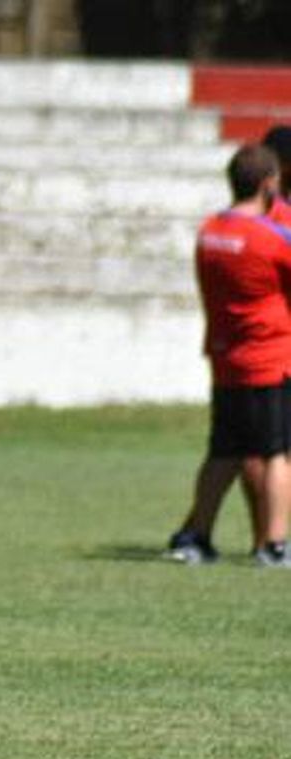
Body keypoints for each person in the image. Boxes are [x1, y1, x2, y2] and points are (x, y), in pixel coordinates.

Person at [166, 143, 291, 566]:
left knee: (226, 450)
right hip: (268, 357)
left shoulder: (211, 231)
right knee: (276, 453)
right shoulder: (272, 239)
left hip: (225, 354)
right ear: (268, 183)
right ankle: (273, 544)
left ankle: (195, 534)